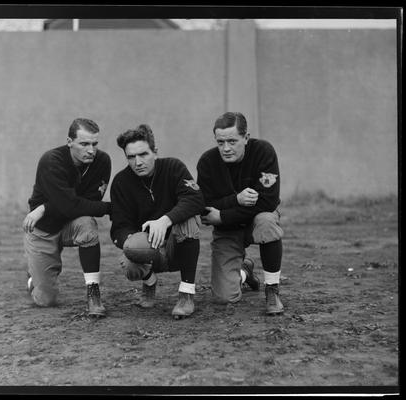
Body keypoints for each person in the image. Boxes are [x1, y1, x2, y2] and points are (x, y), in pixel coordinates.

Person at [110, 124, 205, 319]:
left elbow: (195, 199)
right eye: (131, 157)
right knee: (129, 256)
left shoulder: (173, 167)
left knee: (189, 220)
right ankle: (149, 281)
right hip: (149, 249)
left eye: (143, 154)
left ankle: (186, 294)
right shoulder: (120, 182)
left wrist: (165, 220)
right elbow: (118, 227)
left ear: (155, 152)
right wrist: (134, 241)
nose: (138, 162)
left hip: (178, 245)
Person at [196, 112, 284, 315]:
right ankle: (245, 272)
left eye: (232, 141)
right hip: (227, 230)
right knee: (224, 297)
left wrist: (224, 214)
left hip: (252, 221)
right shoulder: (207, 162)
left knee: (267, 220)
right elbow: (205, 207)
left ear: (246, 137)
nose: (226, 148)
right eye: (220, 142)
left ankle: (272, 289)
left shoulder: (263, 151)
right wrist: (235, 199)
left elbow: (268, 201)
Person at [22, 118, 111, 318]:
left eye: (94, 144)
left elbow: (86, 203)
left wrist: (44, 207)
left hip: (72, 224)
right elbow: (71, 205)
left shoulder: (102, 161)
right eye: (84, 144)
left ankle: (93, 292)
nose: (91, 150)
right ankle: (33, 279)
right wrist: (109, 208)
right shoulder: (51, 160)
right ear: (69, 141)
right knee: (46, 300)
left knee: (87, 223)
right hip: (44, 230)